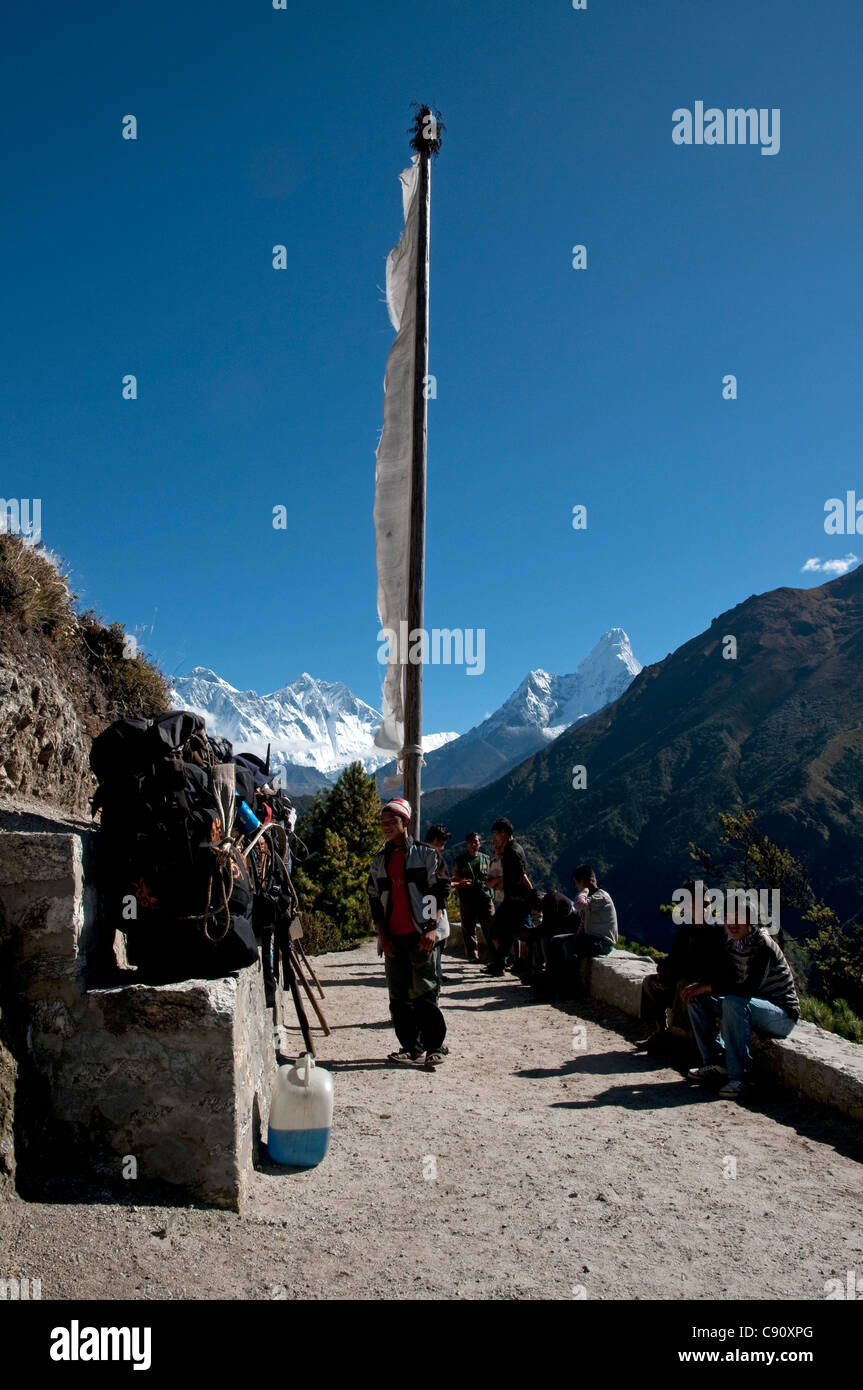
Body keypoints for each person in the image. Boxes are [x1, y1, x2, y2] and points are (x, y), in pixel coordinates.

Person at [682, 905, 799, 1098]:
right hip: (751, 1005)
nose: (733, 925)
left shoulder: (763, 945)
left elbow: (748, 988)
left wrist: (709, 987)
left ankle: (740, 1078)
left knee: (733, 1002)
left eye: (739, 920)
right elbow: (725, 979)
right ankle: (715, 1062)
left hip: (781, 1014)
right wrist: (701, 987)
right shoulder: (732, 944)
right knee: (698, 998)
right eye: (728, 919)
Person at [367, 798, 451, 1069]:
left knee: (424, 993)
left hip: (421, 934)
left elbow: (439, 891)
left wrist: (430, 928)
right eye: (383, 823)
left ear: (407, 823)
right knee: (399, 997)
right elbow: (374, 901)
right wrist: (383, 935)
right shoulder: (380, 861)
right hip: (394, 937)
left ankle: (434, 1046)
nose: (386, 827)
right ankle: (411, 1047)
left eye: (392, 822)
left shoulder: (427, 855)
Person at [486, 818, 533, 975]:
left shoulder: (511, 851)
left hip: (516, 899)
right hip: (514, 897)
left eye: (495, 834)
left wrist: (531, 893)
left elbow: (521, 875)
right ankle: (501, 965)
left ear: (503, 833)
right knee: (508, 932)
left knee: (503, 929)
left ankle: (529, 964)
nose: (494, 838)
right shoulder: (515, 848)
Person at [451, 831, 495, 961]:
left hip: (485, 898)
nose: (473, 844)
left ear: (480, 843)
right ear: (466, 844)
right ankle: (472, 955)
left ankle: (495, 955)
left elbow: (491, 876)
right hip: (467, 899)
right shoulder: (460, 860)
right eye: (471, 842)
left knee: (490, 927)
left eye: (476, 841)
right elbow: (456, 877)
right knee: (468, 928)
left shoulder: (486, 859)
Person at [424, 825, 453, 987]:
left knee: (438, 939)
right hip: (434, 905)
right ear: (435, 839)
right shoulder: (433, 855)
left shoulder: (418, 853)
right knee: (437, 939)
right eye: (442, 841)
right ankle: (435, 973)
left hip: (424, 903)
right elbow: (442, 886)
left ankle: (437, 971)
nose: (444, 844)